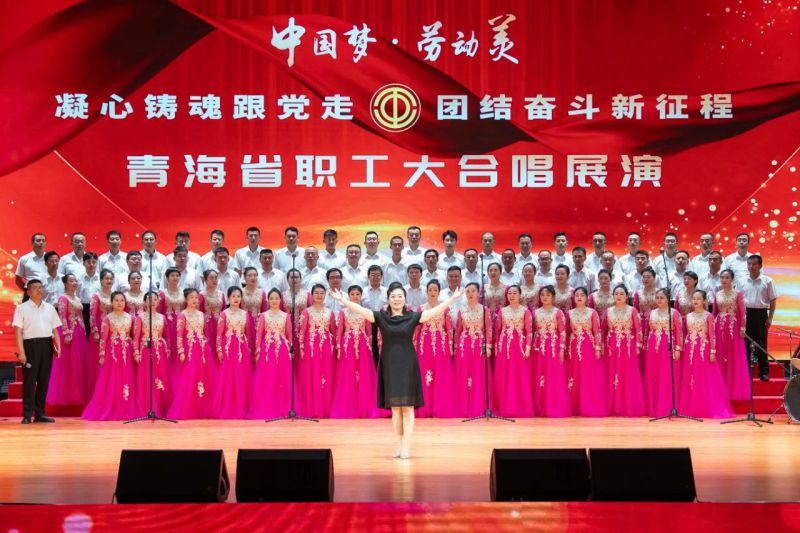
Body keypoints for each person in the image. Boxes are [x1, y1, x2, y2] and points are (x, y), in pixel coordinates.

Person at [328, 281, 463, 459]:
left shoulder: (413, 317)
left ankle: (406, 446)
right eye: (393, 296)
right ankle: (399, 444)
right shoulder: (381, 317)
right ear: (388, 299)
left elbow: (434, 312)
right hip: (389, 365)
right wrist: (342, 300)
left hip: (408, 365)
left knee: (407, 407)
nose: (397, 299)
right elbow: (360, 310)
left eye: (400, 296)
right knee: (395, 409)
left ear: (404, 299)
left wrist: (452, 299)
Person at [679, 290, 734, 418]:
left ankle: (705, 406)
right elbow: (685, 333)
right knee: (691, 376)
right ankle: (692, 406)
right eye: (694, 299)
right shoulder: (688, 316)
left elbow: (712, 335)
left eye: (698, 299)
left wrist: (713, 351)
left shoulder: (708, 316)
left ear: (704, 301)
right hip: (690, 349)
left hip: (703, 349)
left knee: (704, 377)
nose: (695, 301)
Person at [13, 279, 61, 424]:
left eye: (41, 287)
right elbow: (18, 332)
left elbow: (54, 330)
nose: (39, 290)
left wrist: (58, 346)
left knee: (44, 381)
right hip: (30, 346)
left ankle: (40, 414)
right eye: (35, 288)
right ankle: (27, 414)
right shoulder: (22, 308)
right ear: (28, 292)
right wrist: (22, 352)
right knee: (29, 381)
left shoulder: (50, 308)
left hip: (47, 345)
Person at [82, 292, 135, 420]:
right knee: (113, 379)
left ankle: (125, 407)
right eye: (116, 300)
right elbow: (103, 339)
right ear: (111, 303)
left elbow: (133, 336)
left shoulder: (131, 318)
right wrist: (102, 355)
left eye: (122, 300)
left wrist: (134, 351)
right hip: (113, 352)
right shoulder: (107, 318)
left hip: (127, 351)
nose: (119, 303)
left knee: (126, 377)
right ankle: (112, 406)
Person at [331, 285, 379, 418]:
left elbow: (369, 332)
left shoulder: (365, 311)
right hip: (348, 345)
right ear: (348, 296)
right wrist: (339, 348)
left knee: (364, 374)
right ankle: (349, 406)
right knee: (349, 374)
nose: (355, 296)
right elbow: (339, 331)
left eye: (357, 294)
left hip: (363, 345)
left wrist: (369, 346)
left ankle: (365, 406)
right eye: (352, 294)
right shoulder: (343, 312)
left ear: (361, 296)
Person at [167, 289, 214, 419]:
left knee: (203, 376)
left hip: (202, 349)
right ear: (186, 300)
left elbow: (204, 333)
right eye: (191, 297)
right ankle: (189, 407)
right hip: (190, 349)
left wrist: (207, 347)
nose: (195, 300)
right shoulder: (183, 315)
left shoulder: (201, 315)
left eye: (196, 297)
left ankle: (202, 407)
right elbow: (179, 335)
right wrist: (181, 351)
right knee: (190, 377)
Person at [249, 288, 293, 418]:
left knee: (282, 378)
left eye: (277, 298)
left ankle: (283, 407)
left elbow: (289, 335)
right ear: (268, 300)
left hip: (283, 350)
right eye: (272, 298)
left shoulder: (286, 316)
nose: (274, 301)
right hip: (267, 350)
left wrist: (290, 351)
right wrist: (258, 351)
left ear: (281, 300)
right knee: (268, 378)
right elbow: (259, 335)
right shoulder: (263, 315)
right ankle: (267, 406)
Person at [415, 280, 456, 418]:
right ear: (426, 292)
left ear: (439, 292)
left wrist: (450, 345)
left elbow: (449, 329)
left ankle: (439, 406)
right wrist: (415, 345)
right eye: (430, 290)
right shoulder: (421, 308)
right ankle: (425, 407)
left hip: (440, 344)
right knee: (425, 372)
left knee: (440, 373)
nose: (432, 292)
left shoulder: (444, 308)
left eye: (435, 290)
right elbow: (417, 329)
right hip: (424, 344)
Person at [604, 284, 646, 417]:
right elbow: (603, 329)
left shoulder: (632, 311)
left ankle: (628, 404)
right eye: (616, 294)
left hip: (628, 346)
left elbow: (638, 329)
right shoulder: (608, 311)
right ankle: (613, 405)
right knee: (613, 372)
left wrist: (638, 345)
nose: (619, 296)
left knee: (627, 372)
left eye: (622, 294)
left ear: (627, 296)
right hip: (612, 346)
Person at [297, 285, 337, 418]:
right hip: (311, 347)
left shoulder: (330, 312)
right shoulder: (306, 312)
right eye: (316, 293)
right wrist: (301, 348)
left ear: (325, 295)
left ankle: (326, 406)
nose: (319, 295)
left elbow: (333, 331)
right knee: (312, 374)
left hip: (326, 347)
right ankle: (312, 407)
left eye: (321, 293)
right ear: (312, 295)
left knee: (326, 374)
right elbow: (302, 332)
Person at [494, 285, 534, 417]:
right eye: (509, 293)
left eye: (514, 293)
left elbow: (529, 332)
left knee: (518, 375)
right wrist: (497, 347)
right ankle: (505, 405)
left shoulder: (525, 311)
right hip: (504, 346)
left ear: (520, 295)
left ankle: (520, 406)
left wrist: (528, 348)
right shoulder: (502, 311)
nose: (512, 295)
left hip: (519, 347)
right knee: (505, 375)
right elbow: (497, 331)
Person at [214, 285, 253, 419]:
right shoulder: (224, 314)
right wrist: (219, 349)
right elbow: (219, 334)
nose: (236, 299)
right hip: (228, 347)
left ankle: (242, 405)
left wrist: (247, 348)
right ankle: (228, 405)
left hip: (241, 347)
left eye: (238, 296)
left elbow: (248, 333)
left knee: (242, 375)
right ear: (228, 298)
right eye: (233, 296)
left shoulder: (245, 314)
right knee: (229, 376)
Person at [49, 274, 89, 406]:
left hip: (79, 332)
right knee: (68, 363)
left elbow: (80, 316)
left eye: (75, 280)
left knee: (78, 362)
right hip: (69, 332)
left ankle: (76, 392)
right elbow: (62, 316)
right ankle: (65, 394)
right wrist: (66, 333)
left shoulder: (77, 298)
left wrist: (83, 331)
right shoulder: (63, 298)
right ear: (65, 284)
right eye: (71, 281)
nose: (74, 283)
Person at [737, 255, 778, 381]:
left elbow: (773, 300)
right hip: (745, 314)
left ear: (760, 266)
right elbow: (737, 300)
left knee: (761, 344)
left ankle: (764, 372)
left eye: (754, 264)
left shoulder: (768, 281)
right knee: (745, 344)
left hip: (761, 315)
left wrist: (770, 318)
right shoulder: (741, 281)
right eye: (749, 264)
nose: (751, 267)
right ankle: (746, 372)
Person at [644, 289, 684, 417]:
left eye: (662, 297)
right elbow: (646, 331)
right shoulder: (651, 313)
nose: (659, 300)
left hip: (668, 346)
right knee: (653, 374)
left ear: (668, 299)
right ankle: (653, 406)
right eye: (657, 298)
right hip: (653, 346)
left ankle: (668, 406)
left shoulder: (674, 313)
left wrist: (678, 348)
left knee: (667, 374)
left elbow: (679, 332)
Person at [568, 287, 607, 416]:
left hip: (588, 346)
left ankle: (589, 403)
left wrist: (598, 348)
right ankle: (575, 405)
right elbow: (567, 331)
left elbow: (597, 331)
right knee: (575, 373)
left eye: (582, 295)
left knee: (588, 373)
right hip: (574, 346)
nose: (579, 297)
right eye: (577, 295)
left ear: (586, 298)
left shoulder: (592, 313)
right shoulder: (569, 313)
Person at [133, 291, 172, 417]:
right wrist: (136, 352)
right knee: (148, 377)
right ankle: (147, 407)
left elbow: (166, 336)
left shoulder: (162, 317)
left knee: (161, 376)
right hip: (146, 350)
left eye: (155, 299)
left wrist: (167, 350)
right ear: (144, 302)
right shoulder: (140, 317)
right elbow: (136, 337)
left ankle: (161, 406)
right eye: (150, 299)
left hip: (160, 350)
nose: (153, 302)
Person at [533, 286, 570, 417]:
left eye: (548, 295)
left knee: (553, 375)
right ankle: (541, 405)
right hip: (539, 347)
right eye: (542, 295)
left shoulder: (558, 313)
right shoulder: (535, 313)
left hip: (553, 347)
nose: (545, 297)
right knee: (540, 374)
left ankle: (555, 405)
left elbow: (563, 332)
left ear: (553, 297)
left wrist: (562, 349)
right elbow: (533, 331)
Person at [714, 269, 750, 401]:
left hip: (733, 327)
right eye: (722, 277)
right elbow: (714, 313)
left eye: (727, 277)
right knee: (720, 354)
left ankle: (733, 389)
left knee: (733, 355)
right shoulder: (717, 294)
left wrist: (742, 327)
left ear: (732, 279)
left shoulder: (737, 294)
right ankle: (720, 388)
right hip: (719, 327)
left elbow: (743, 312)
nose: (724, 280)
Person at [157, 267, 185, 374]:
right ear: (167, 278)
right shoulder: (162, 293)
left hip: (181, 324)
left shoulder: (183, 292)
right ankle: (169, 373)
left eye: (177, 276)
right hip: (167, 325)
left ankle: (180, 372)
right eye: (172, 276)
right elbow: (159, 311)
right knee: (169, 347)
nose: (175, 278)